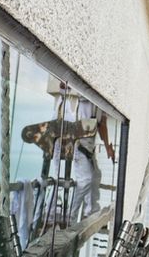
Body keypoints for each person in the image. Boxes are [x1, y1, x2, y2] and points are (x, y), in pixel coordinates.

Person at [49, 79, 114, 222]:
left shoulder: (101, 106)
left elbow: (102, 125)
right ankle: (70, 217)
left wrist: (108, 146)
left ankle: (90, 211)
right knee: (85, 180)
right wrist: (66, 87)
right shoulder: (88, 98)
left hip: (89, 147)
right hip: (80, 146)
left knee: (96, 175)